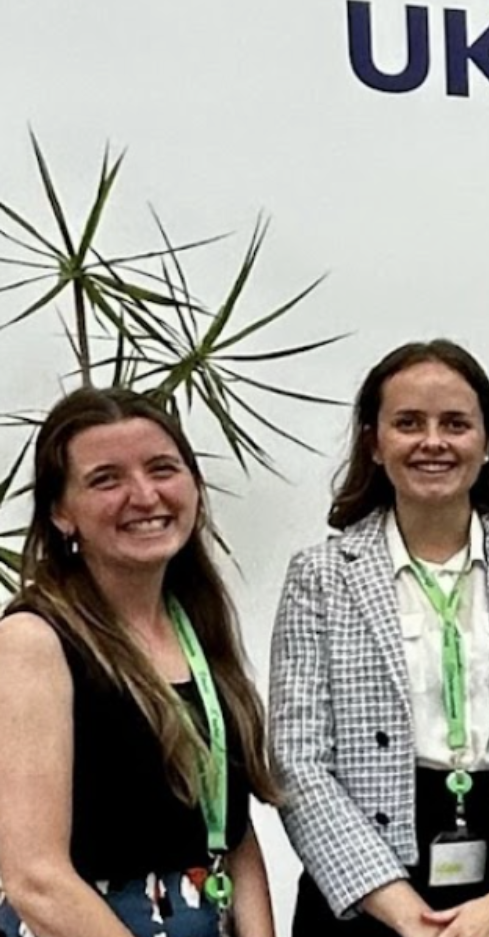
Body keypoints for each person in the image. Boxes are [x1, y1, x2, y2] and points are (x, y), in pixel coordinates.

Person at [271, 340, 489, 937]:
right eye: (408, 423)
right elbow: (298, 762)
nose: (433, 442)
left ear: (487, 443)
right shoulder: (319, 578)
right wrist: (404, 912)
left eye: (455, 424)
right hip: (365, 890)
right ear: (374, 444)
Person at [0, 388, 278, 937]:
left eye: (162, 469)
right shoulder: (32, 641)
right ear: (60, 513)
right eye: (107, 479)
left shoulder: (196, 627)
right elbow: (35, 877)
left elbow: (232, 829)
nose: (145, 495)